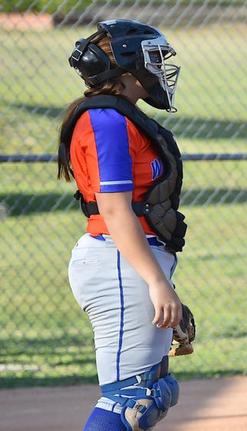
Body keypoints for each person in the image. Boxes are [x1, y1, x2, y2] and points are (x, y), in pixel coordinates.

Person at [58, 19, 190, 431]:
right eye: (152, 59)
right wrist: (155, 282)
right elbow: (115, 210)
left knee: (153, 390)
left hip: (129, 262)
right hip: (118, 261)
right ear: (128, 69)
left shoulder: (120, 117)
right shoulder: (106, 120)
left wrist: (161, 283)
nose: (159, 68)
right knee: (131, 399)